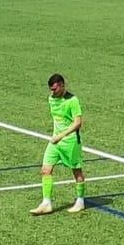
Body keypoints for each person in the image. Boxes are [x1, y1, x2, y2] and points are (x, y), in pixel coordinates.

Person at [32, 74, 85, 215]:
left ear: (62, 85)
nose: (52, 92)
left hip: (70, 142)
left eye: (55, 89)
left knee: (76, 171)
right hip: (55, 142)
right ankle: (46, 203)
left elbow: (78, 123)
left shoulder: (73, 101)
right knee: (45, 170)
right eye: (51, 89)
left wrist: (61, 136)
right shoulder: (51, 99)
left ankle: (80, 201)